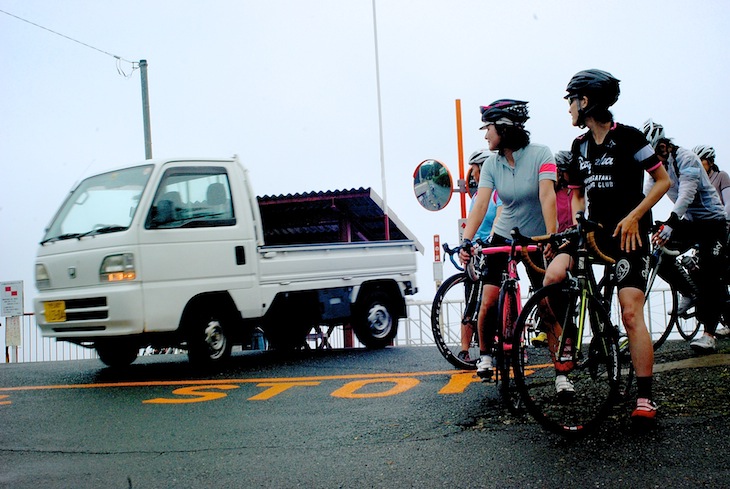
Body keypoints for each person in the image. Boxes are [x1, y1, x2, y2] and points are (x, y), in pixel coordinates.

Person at [544, 69, 670, 423]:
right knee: (554, 274)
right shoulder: (578, 145)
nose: (568, 107)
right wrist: (578, 221)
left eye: (571, 100)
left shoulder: (630, 138)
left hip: (627, 235)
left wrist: (635, 216)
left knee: (631, 312)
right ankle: (568, 342)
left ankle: (645, 398)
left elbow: (662, 181)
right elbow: (579, 193)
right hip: (593, 233)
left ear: (586, 101)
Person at [459, 99, 556, 380]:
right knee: (488, 299)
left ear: (504, 128)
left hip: (535, 235)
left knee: (546, 304)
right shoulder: (491, 164)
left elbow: (547, 196)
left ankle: (562, 370)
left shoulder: (541, 154)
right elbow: (480, 205)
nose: (486, 135)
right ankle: (486, 355)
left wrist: (550, 237)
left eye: (488, 128)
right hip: (503, 234)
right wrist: (467, 240)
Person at [643, 120, 728, 353]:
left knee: (711, 273)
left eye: (654, 153)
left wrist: (671, 222)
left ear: (663, 146)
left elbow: (686, 194)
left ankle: (709, 334)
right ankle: (688, 291)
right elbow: (647, 196)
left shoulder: (687, 158)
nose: (653, 160)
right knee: (657, 252)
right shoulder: (657, 167)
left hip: (713, 222)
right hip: (690, 222)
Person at [531, 150, 584, 347]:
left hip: (578, 243)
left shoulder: (579, 190)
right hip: (559, 244)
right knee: (552, 286)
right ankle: (561, 328)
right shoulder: (552, 192)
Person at [458, 149, 504, 363]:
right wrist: (465, 247)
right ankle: (464, 350)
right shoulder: (476, 196)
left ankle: (509, 340)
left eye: (475, 171)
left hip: (493, 248)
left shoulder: (498, 193)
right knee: (470, 300)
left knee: (496, 298)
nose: (473, 176)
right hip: (477, 251)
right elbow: (472, 223)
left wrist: (491, 239)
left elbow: (499, 219)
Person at [693, 145, 730, 220]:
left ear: (711, 162)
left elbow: (728, 203)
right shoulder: (695, 182)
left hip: (720, 222)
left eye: (701, 160)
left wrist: (724, 221)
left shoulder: (721, 176)